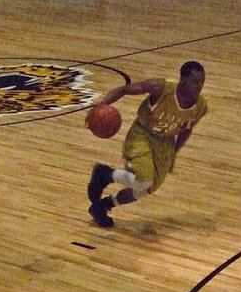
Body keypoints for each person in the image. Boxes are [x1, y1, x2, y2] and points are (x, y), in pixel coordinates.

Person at [86, 60, 207, 228]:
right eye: (195, 81)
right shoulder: (160, 88)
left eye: (202, 82)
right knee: (143, 180)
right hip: (142, 134)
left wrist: (174, 153)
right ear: (182, 79)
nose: (199, 86)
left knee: (143, 190)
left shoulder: (200, 106)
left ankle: (102, 206)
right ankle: (105, 174)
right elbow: (125, 89)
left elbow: (187, 129)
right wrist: (102, 105)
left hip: (165, 143)